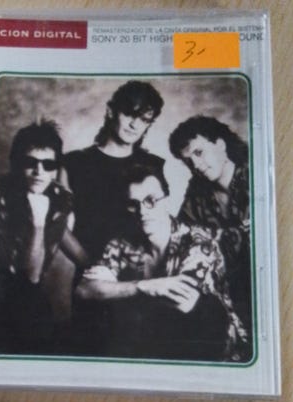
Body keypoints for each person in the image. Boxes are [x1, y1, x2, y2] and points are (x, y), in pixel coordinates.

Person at [76, 165, 249, 361]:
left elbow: (181, 305)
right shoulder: (123, 242)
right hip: (154, 342)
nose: (142, 211)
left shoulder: (198, 243)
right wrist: (145, 286)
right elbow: (84, 289)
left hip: (215, 348)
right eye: (133, 204)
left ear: (167, 200)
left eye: (150, 200)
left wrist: (115, 290)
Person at [0, 120, 87, 355]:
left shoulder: (59, 198)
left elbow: (65, 239)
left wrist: (103, 271)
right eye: (30, 163)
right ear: (16, 163)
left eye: (48, 164)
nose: (39, 172)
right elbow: (29, 276)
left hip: (28, 298)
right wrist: (38, 221)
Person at [169, 116, 252, 360]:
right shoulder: (197, 190)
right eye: (188, 160)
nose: (195, 164)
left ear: (221, 144)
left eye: (199, 152)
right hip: (227, 288)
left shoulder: (256, 172)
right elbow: (182, 233)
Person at [64, 81, 165, 261]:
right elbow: (58, 226)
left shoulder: (154, 165)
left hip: (142, 269)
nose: (135, 125)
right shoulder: (74, 162)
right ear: (111, 111)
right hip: (89, 268)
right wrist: (90, 265)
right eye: (129, 114)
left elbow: (162, 225)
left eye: (144, 120)